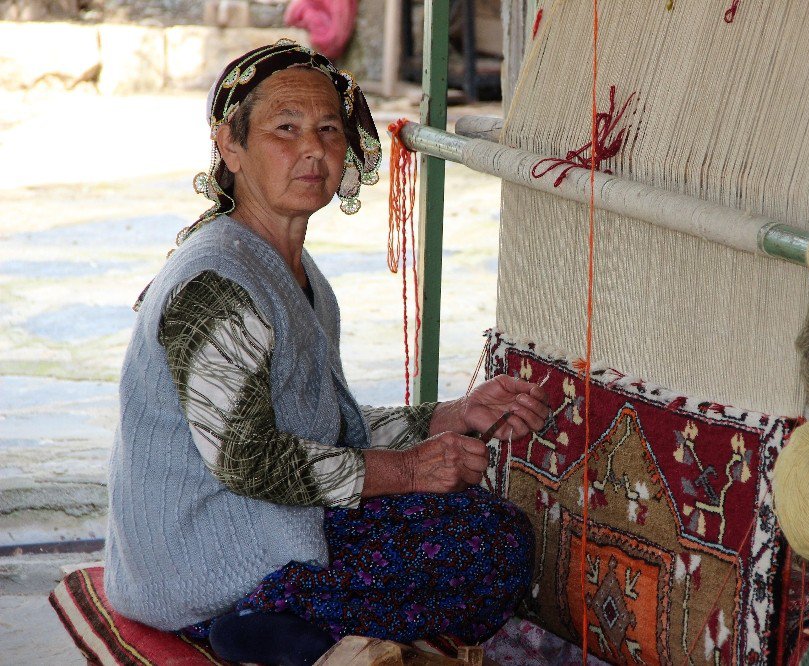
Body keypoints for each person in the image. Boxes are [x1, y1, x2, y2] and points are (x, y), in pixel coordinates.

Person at [103, 40, 549, 666]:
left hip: (268, 520)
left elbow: (329, 427)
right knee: (482, 545)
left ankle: (292, 627)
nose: (313, 149)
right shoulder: (216, 285)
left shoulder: (295, 275)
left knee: (486, 533)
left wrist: (453, 416)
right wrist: (410, 472)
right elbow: (250, 461)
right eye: (285, 129)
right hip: (196, 553)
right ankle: (254, 622)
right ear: (232, 147)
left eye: (328, 130)